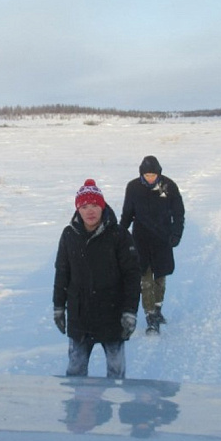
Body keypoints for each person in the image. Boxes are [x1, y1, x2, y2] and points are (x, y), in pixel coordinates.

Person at [53, 179, 141, 379]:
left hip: (112, 315)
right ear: (78, 209)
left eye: (94, 205)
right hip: (80, 316)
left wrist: (130, 311)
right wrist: (59, 306)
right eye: (84, 206)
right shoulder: (69, 235)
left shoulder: (119, 235)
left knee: (116, 372)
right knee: (75, 372)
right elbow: (62, 273)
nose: (90, 211)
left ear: (102, 207)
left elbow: (132, 276)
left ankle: (112, 406)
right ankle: (77, 409)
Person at [120, 156, 185, 334]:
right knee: (145, 279)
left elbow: (178, 213)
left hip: (162, 239)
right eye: (147, 175)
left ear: (159, 173)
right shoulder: (133, 187)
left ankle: (157, 309)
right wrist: (120, 234)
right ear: (142, 173)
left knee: (160, 278)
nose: (150, 178)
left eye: (153, 175)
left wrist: (176, 233)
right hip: (140, 240)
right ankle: (150, 316)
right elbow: (127, 213)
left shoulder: (168, 186)